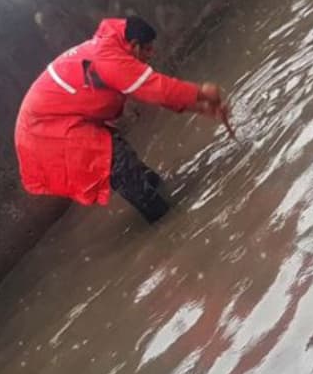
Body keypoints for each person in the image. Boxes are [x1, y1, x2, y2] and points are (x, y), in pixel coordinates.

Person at [14, 17, 229, 223]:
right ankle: (168, 222)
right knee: (116, 160)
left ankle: (160, 194)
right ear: (134, 45)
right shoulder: (111, 59)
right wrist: (201, 92)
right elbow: (158, 89)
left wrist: (201, 107)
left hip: (54, 122)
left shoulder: (111, 48)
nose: (151, 54)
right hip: (44, 131)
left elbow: (153, 92)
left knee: (122, 158)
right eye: (147, 49)